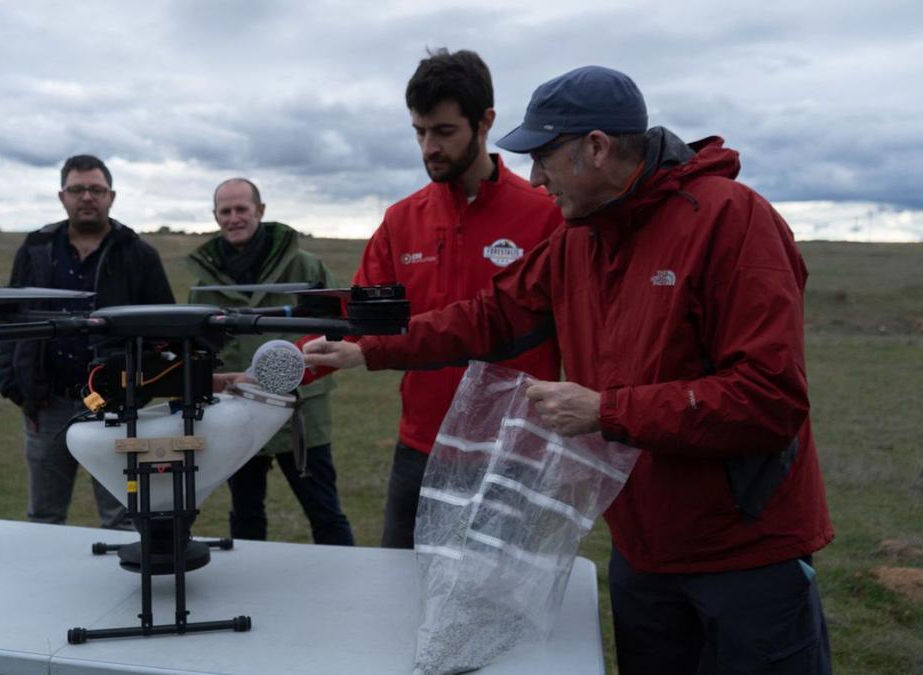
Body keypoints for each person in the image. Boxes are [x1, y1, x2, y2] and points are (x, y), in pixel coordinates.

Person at [305, 66, 833, 674]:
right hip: (643, 550)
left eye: (544, 158)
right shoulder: (579, 238)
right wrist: (369, 350)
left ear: (597, 147)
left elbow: (768, 398)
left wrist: (605, 412)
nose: (535, 178)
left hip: (746, 554)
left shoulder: (731, 220)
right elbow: (490, 316)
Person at [354, 48, 563, 548]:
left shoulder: (546, 216)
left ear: (485, 121)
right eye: (420, 132)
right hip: (420, 448)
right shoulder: (402, 220)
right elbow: (356, 321)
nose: (429, 146)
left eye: (444, 132)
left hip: (510, 452)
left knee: (496, 607)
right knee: (398, 596)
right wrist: (277, 369)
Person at [0, 154, 175, 528]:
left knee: (122, 516)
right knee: (44, 516)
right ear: (63, 196)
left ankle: (124, 584)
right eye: (78, 189)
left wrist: (135, 396)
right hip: (47, 406)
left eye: (97, 189)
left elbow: (164, 332)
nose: (87, 197)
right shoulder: (36, 249)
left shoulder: (138, 254)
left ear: (112, 196)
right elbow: (8, 323)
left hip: (115, 407)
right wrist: (18, 390)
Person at [186, 177, 355, 546]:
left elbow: (342, 322)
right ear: (215, 216)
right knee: (245, 512)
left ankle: (345, 583)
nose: (234, 218)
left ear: (260, 211)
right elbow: (196, 345)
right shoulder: (202, 281)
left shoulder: (307, 267)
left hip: (300, 413)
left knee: (324, 511)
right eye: (225, 211)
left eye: (241, 209)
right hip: (237, 411)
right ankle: (248, 585)